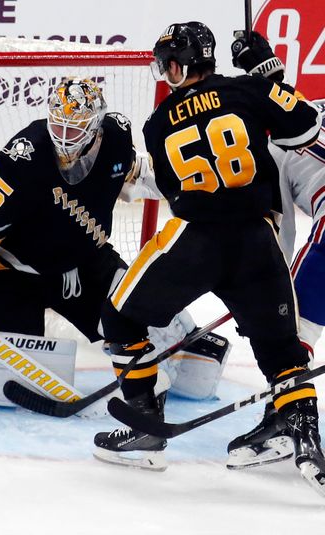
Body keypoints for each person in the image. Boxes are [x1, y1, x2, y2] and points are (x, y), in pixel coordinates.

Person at [0, 78, 230, 409]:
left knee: (142, 317)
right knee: (5, 373)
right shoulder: (24, 156)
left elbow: (138, 174)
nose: (64, 140)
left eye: (76, 130)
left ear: (96, 128)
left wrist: (201, 191)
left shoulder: (115, 137)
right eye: (58, 127)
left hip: (85, 262)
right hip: (16, 272)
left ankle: (183, 351)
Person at [92, 21, 324, 495]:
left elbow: (176, 190)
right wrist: (266, 82)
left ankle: (143, 423)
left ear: (177, 66)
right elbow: (306, 126)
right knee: (282, 351)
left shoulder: (157, 123)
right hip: (259, 242)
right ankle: (305, 437)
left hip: (195, 242)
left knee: (118, 316)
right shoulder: (250, 89)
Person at [225, 34, 325, 467]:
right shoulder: (309, 109)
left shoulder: (265, 145)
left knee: (292, 323)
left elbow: (276, 239)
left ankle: (286, 417)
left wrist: (267, 294)